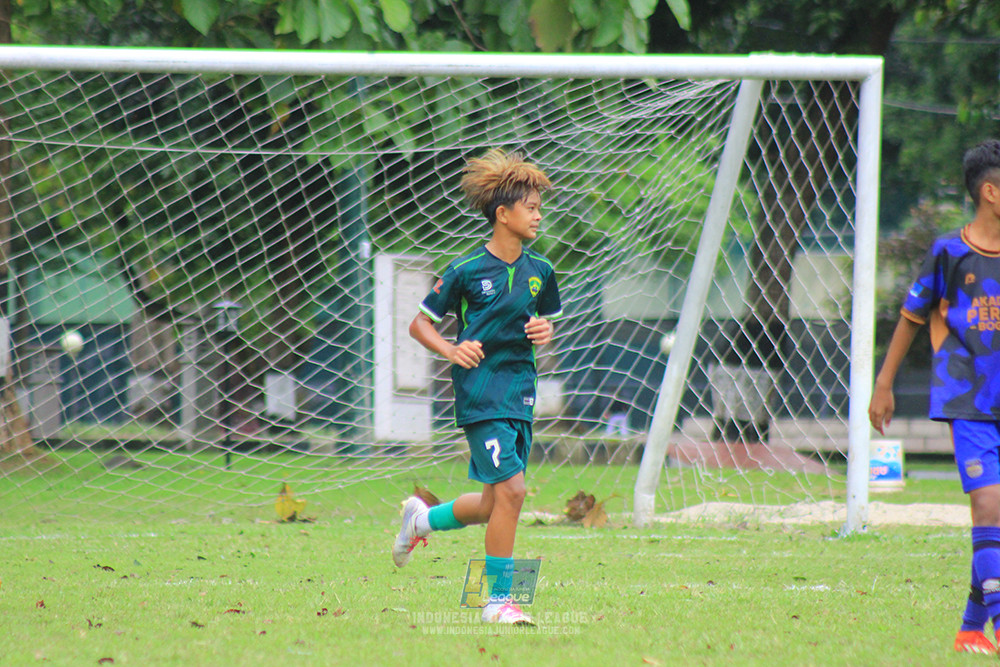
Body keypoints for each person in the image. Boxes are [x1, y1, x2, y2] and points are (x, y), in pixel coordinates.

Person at [391, 148, 562, 627]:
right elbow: (418, 324)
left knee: (493, 504)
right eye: (531, 207)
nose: (538, 214)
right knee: (514, 491)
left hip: (520, 392)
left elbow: (541, 320)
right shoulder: (465, 271)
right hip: (480, 392)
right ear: (503, 214)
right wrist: (450, 349)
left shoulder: (541, 271)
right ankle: (498, 602)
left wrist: (544, 331)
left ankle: (420, 520)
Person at [869, 139, 1000, 655]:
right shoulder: (950, 251)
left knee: (994, 522)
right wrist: (884, 384)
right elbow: (912, 315)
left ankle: (970, 629)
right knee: (988, 505)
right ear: (990, 192)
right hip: (967, 400)